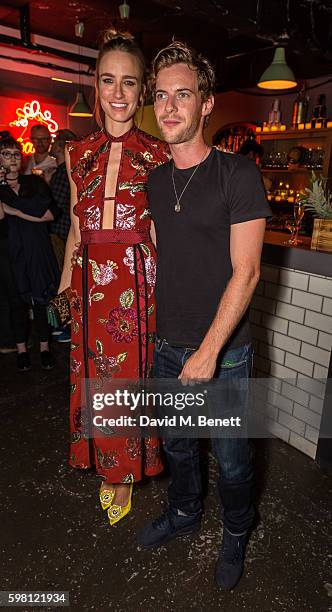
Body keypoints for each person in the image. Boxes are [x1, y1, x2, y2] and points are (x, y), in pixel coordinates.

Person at [137, 41, 271, 590]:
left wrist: (209, 351)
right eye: (162, 96)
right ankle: (186, 513)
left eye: (183, 95)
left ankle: (237, 530)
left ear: (206, 103)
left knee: (234, 462)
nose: (170, 107)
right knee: (178, 446)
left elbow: (248, 273)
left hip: (225, 354)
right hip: (167, 345)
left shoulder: (236, 174)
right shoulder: (154, 181)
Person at [57, 30, 169, 526]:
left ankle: (121, 473)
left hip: (135, 287)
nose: (118, 94)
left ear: (143, 91)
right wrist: (65, 289)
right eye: (108, 81)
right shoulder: (76, 153)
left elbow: (163, 235)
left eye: (129, 83)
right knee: (94, 382)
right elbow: (78, 230)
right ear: (96, 86)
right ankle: (104, 461)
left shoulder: (161, 155)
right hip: (87, 284)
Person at [0, 136, 60, 371]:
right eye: (6, 153)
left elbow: (49, 213)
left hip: (37, 250)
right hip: (9, 253)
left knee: (41, 302)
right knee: (16, 303)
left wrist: (14, 208)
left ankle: (45, 348)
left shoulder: (34, 183)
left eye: (16, 154)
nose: (12, 158)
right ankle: (22, 350)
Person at [49, 129, 77, 344]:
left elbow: (55, 209)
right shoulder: (60, 172)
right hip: (69, 233)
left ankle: (66, 327)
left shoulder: (60, 174)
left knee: (66, 280)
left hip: (61, 233)